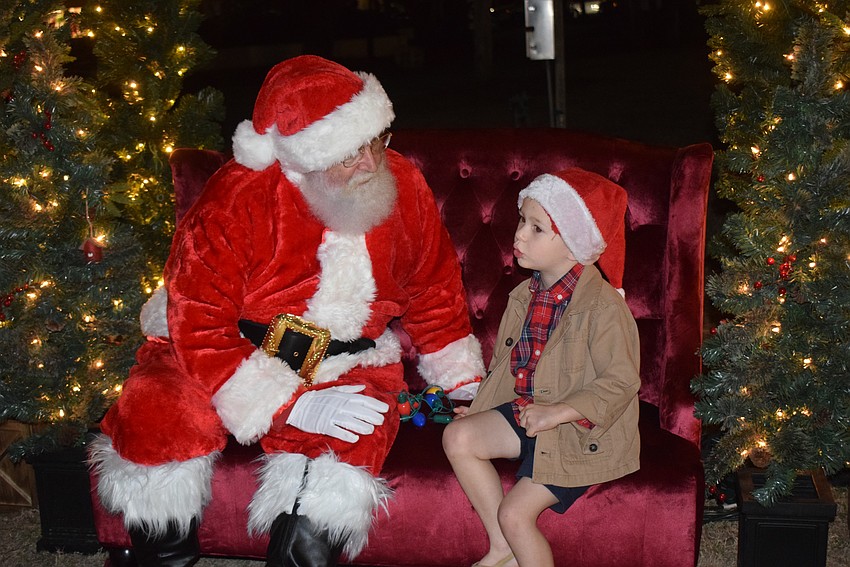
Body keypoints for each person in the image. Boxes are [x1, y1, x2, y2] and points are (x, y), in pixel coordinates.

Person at [89, 54, 484, 567]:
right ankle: (159, 555)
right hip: (226, 347)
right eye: (348, 154)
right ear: (301, 158)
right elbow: (200, 319)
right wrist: (282, 403)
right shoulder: (239, 194)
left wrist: (465, 387)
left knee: (351, 444)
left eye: (375, 141)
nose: (369, 163)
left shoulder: (404, 184)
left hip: (349, 359)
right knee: (159, 409)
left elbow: (435, 290)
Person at [442, 168, 641, 567]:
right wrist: (481, 409)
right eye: (522, 221)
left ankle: (514, 542)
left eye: (537, 228)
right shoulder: (525, 295)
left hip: (580, 430)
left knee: (516, 515)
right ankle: (503, 550)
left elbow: (621, 382)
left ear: (574, 245)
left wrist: (557, 413)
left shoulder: (603, 308)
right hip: (530, 413)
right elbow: (509, 367)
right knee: (458, 437)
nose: (518, 235)